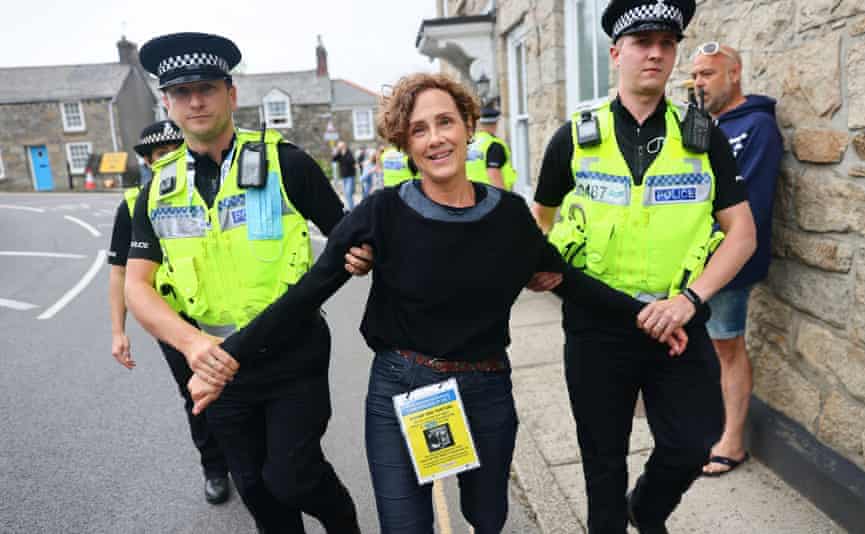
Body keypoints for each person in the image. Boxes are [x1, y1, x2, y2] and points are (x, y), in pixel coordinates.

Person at [186, 72, 693, 534]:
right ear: (405, 144)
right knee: (405, 525)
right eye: (419, 129)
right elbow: (308, 292)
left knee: (487, 517)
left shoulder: (511, 219)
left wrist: (650, 316)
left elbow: (573, 283)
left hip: (484, 389)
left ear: (469, 127)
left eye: (445, 122)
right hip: (401, 388)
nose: (435, 138)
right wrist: (230, 355)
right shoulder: (381, 213)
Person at [125, 32, 371, 534]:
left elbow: (344, 234)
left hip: (291, 353)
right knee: (258, 491)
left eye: (207, 88)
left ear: (231, 95)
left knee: (293, 476)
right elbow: (137, 287)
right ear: (167, 103)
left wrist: (362, 256)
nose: (195, 101)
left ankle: (343, 521)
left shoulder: (287, 163)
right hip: (217, 365)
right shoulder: (156, 190)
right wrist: (192, 345)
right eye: (180, 92)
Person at [530, 1, 757, 532]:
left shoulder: (703, 137)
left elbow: (742, 233)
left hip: (677, 321)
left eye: (667, 43)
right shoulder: (574, 138)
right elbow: (538, 227)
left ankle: (647, 512)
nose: (655, 53)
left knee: (690, 445)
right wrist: (547, 273)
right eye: (642, 42)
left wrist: (689, 301)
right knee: (602, 465)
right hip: (596, 329)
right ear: (616, 53)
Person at [108, 119, 231, 505]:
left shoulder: (210, 193)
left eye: (176, 152)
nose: (169, 161)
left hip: (221, 311)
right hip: (172, 321)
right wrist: (118, 330)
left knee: (235, 387)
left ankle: (247, 461)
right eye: (161, 155)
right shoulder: (134, 205)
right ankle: (214, 466)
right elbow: (120, 272)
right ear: (147, 161)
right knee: (195, 395)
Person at [691, 42, 782, 477]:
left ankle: (733, 440)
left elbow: (753, 207)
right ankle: (711, 426)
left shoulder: (757, 126)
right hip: (693, 261)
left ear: (735, 73)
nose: (699, 83)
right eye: (695, 76)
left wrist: (716, 258)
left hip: (727, 262)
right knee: (706, 346)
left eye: (708, 73)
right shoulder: (704, 126)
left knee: (727, 346)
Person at [465, 106, 517, 191]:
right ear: (495, 123)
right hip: (490, 198)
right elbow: (494, 176)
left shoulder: (470, 143)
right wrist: (505, 201)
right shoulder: (493, 145)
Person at [332, 141, 357, 209]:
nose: (341, 147)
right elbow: (334, 160)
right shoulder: (339, 154)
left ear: (345, 146)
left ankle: (351, 208)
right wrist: (337, 152)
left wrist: (344, 154)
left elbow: (351, 161)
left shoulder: (349, 152)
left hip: (350, 176)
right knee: (346, 194)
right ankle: (350, 207)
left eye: (342, 146)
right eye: (339, 146)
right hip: (343, 176)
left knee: (348, 193)